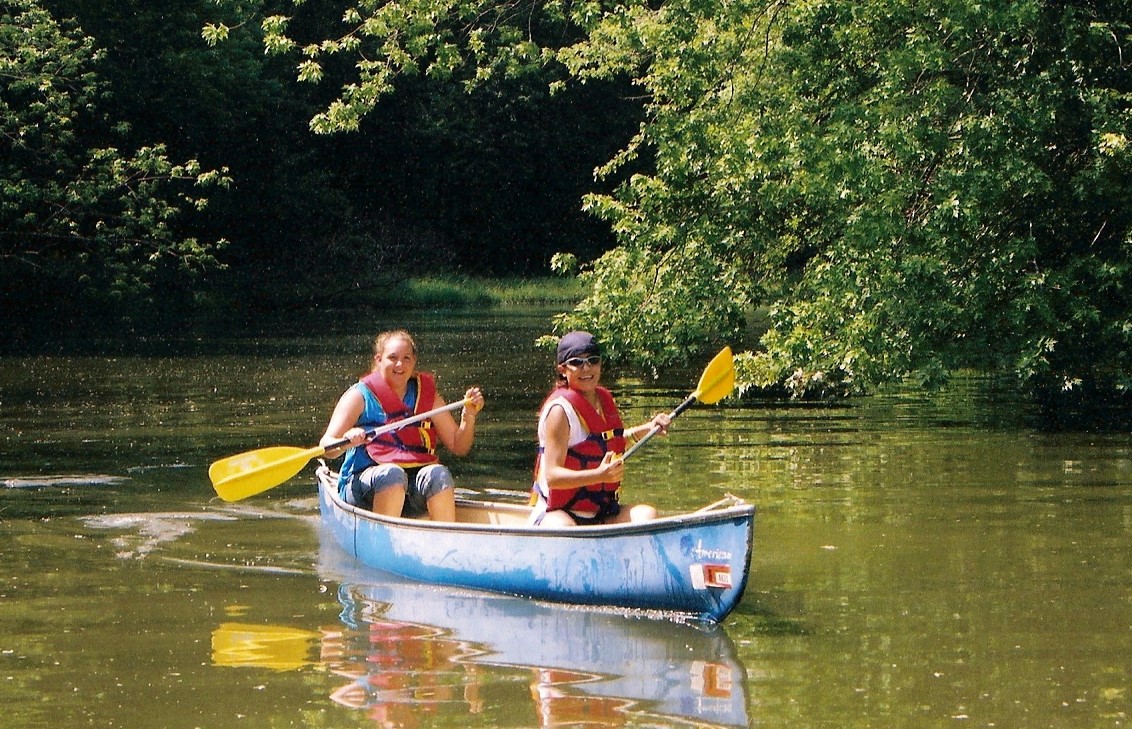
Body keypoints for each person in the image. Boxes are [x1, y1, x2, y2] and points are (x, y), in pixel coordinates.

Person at [320, 329, 485, 521]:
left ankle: (445, 543)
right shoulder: (359, 396)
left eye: (407, 358)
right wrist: (346, 441)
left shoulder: (427, 397)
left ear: (414, 362)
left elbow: (459, 446)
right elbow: (327, 446)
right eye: (393, 357)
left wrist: (468, 416)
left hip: (409, 490)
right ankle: (383, 542)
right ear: (379, 359)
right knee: (391, 474)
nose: (400, 364)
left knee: (438, 473)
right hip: (362, 489)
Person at [529, 331, 671, 526]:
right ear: (562, 369)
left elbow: (611, 441)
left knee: (647, 515)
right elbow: (553, 476)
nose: (586, 368)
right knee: (566, 528)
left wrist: (648, 428)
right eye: (577, 363)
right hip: (558, 514)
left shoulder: (603, 400)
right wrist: (599, 475)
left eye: (593, 360)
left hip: (601, 513)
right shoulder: (560, 412)